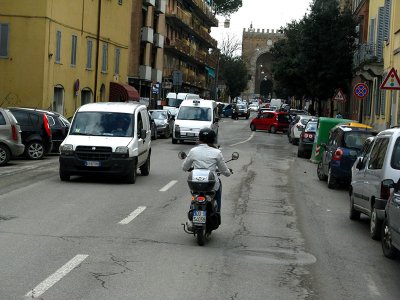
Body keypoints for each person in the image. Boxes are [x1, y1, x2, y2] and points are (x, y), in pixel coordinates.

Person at [182, 128, 232, 218]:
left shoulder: (193, 151)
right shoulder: (217, 152)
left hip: (196, 183)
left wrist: (191, 168)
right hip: (211, 185)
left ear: (199, 138)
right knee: (218, 184)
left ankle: (192, 209)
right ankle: (216, 212)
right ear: (213, 139)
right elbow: (224, 171)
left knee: (195, 195)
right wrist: (228, 173)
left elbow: (184, 167)